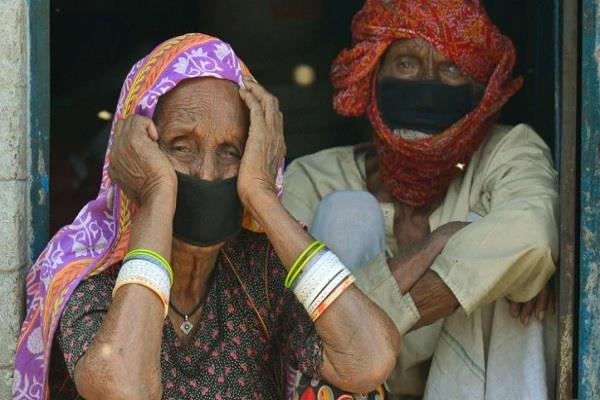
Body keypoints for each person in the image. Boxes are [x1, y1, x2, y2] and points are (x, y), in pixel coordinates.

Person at [13, 33, 400, 400]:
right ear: (138, 155)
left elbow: (369, 358)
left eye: (231, 151)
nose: (207, 174)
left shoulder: (260, 269)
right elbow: (123, 389)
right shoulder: (88, 274)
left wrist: (263, 196)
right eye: (181, 147)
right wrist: (155, 197)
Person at [282, 1, 558, 399]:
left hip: (468, 384)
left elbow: (534, 232)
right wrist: (437, 241)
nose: (427, 86)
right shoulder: (314, 178)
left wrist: (365, 320)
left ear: (480, 91)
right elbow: (282, 319)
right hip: (346, 382)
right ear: (373, 78)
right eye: (407, 64)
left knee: (519, 284)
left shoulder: (508, 152)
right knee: (347, 213)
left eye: (451, 68)